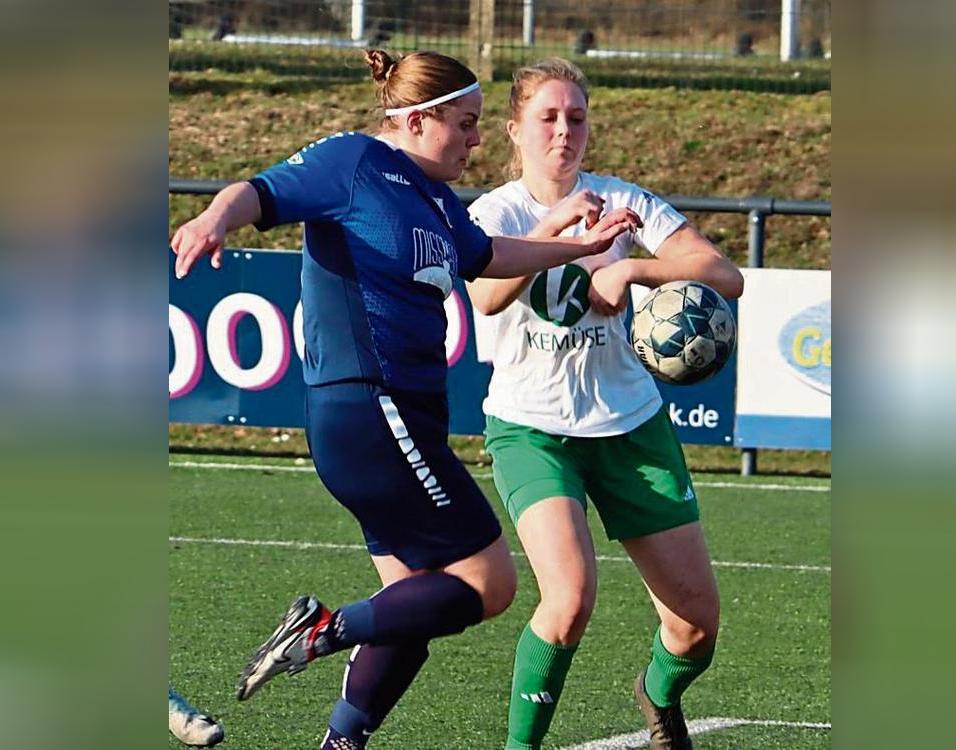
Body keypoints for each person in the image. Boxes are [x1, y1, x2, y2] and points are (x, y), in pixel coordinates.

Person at [170, 50, 641, 750]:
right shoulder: (356, 163)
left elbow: (488, 258)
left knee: (413, 606)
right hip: (369, 406)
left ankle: (342, 742)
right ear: (416, 121)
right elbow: (258, 193)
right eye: (466, 124)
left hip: (397, 418)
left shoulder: (435, 200)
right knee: (491, 585)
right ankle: (324, 629)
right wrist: (215, 217)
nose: (477, 140)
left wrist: (580, 247)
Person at [466, 58, 744, 750]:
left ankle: (656, 696)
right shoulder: (495, 212)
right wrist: (560, 232)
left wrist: (630, 264)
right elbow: (483, 294)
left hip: (630, 425)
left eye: (577, 118)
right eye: (548, 117)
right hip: (532, 429)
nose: (564, 131)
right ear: (514, 130)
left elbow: (724, 274)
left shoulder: (624, 201)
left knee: (696, 629)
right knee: (568, 601)